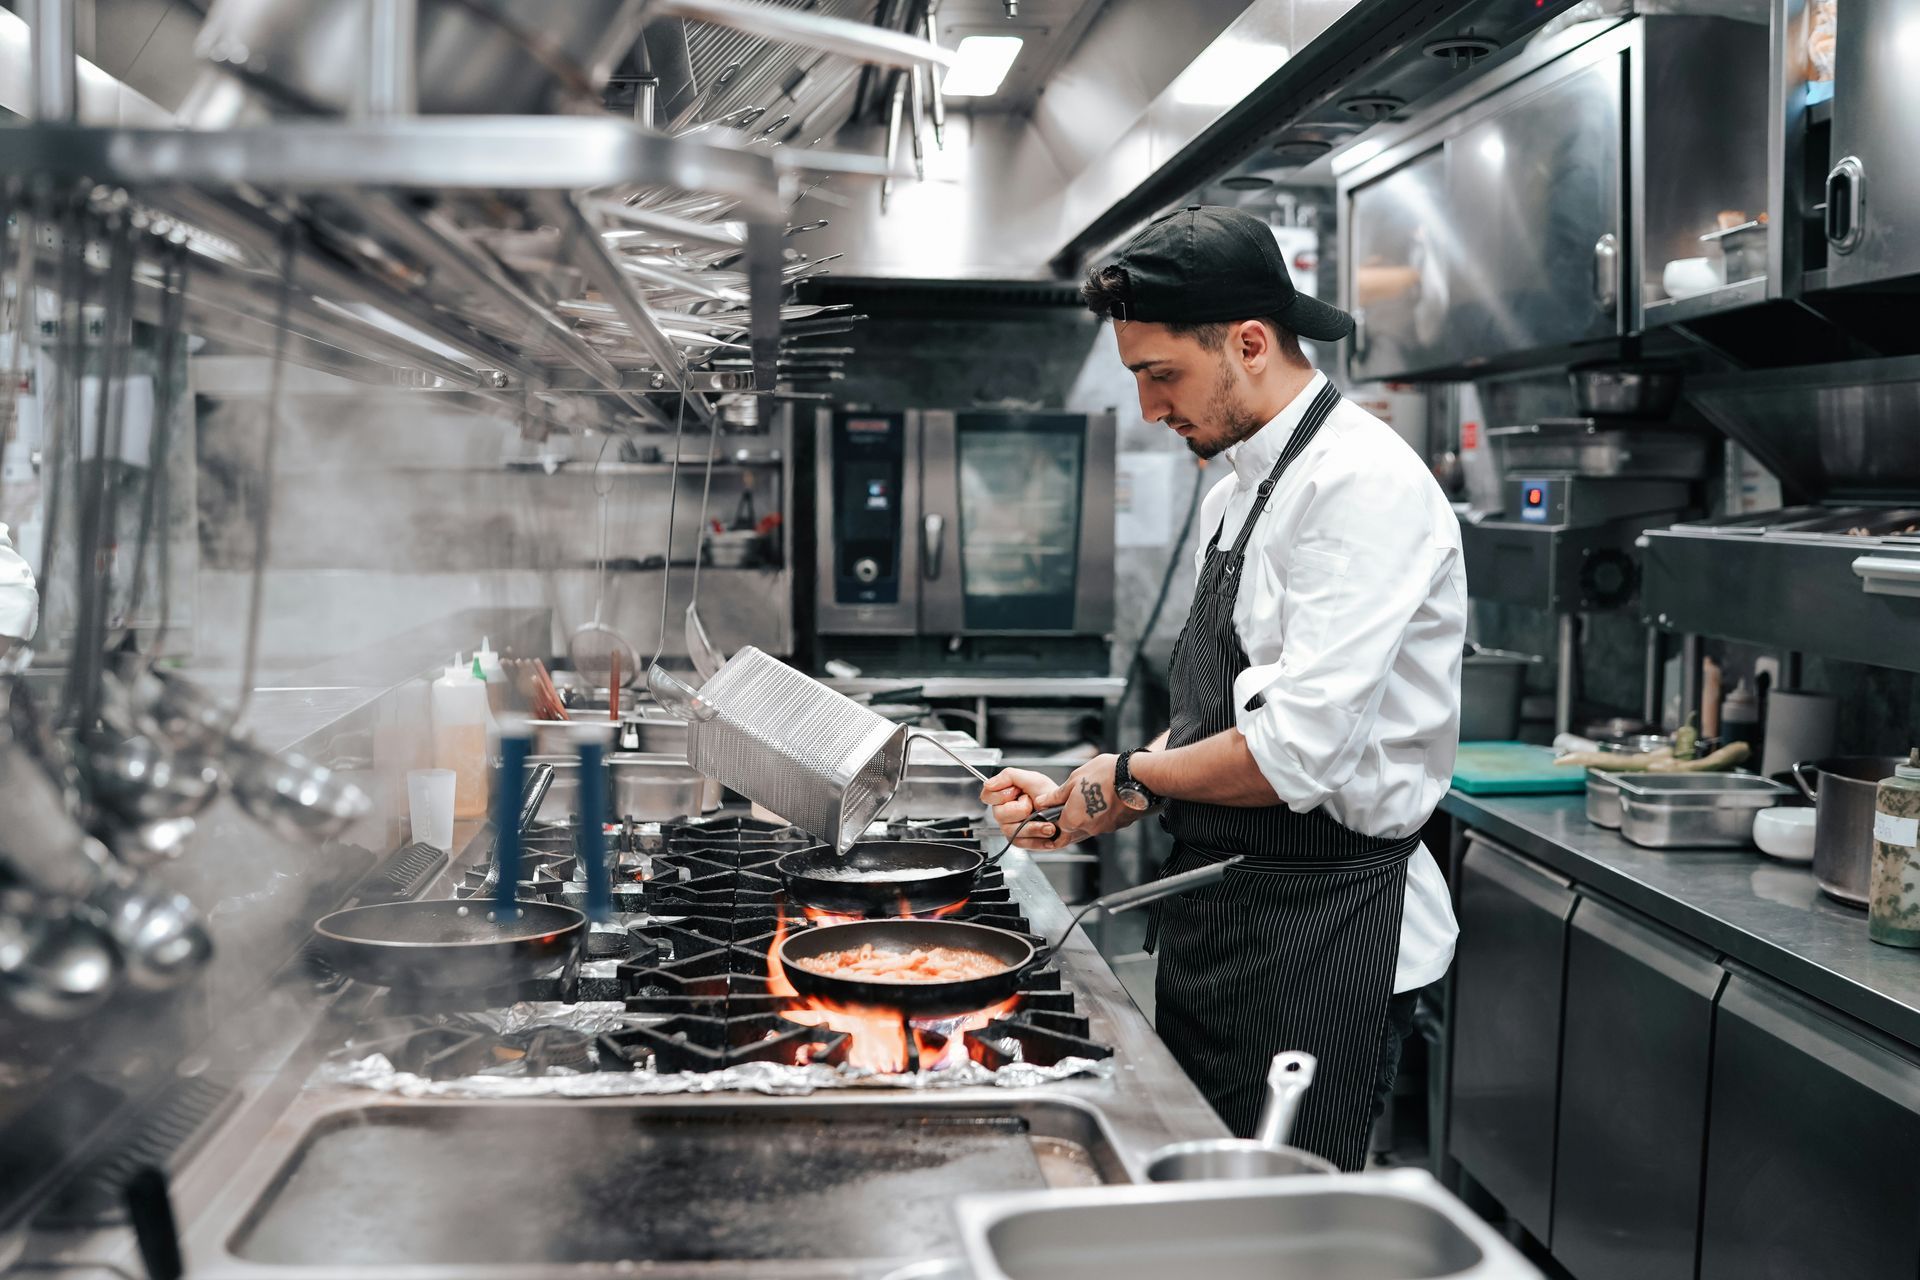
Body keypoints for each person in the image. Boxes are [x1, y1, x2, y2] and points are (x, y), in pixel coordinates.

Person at [981, 206, 1465, 1172]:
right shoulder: (1240, 485)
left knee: (1282, 1233)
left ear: (1248, 343)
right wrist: (1093, 797)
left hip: (1324, 936)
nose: (1152, 408)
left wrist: (1120, 777)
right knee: (1202, 1194)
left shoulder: (1359, 485)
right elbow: (1222, 721)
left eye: (1163, 375)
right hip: (1226, 918)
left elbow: (1292, 754)